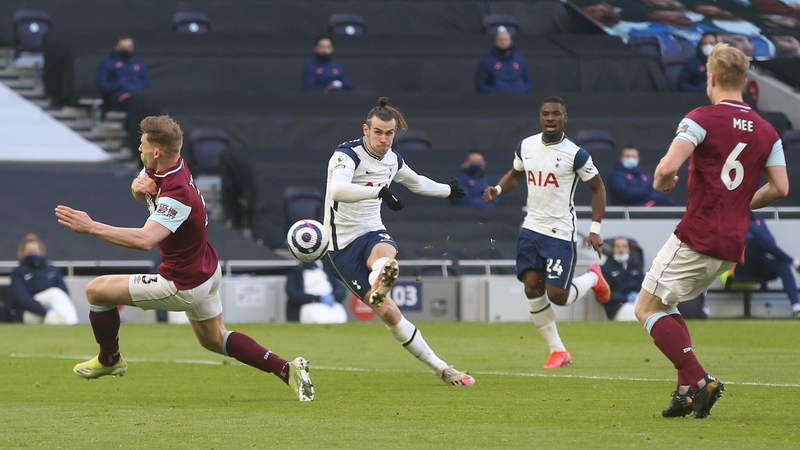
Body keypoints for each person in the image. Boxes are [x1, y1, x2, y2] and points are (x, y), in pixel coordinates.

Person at [54, 115, 315, 402]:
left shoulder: (178, 193)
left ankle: (109, 359)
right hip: (206, 268)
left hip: (181, 283)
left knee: (96, 291)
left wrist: (90, 227)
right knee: (214, 340)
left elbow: (144, 240)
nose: (139, 149)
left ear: (156, 152)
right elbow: (144, 186)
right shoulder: (172, 162)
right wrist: (135, 188)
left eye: (142, 145)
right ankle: (286, 370)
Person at [633, 43, 788, 419]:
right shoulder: (768, 131)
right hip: (732, 243)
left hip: (698, 233)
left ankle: (700, 380)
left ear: (712, 78)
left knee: (646, 307)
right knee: (667, 305)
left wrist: (661, 182)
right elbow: (781, 188)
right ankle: (685, 394)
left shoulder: (701, 118)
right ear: (745, 80)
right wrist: (740, 205)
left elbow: (667, 167)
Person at [322, 97, 474, 386]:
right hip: (341, 245)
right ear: (365, 130)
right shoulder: (346, 155)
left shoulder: (393, 160)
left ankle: (382, 278)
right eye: (378, 132)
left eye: (389, 133)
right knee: (390, 314)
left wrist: (447, 191)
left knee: (386, 254)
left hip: (371, 229)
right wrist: (378, 192)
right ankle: (438, 366)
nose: (384, 139)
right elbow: (338, 190)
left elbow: (416, 182)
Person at [483, 96, 611, 369]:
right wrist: (498, 189)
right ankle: (558, 351)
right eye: (545, 114)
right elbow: (516, 175)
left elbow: (598, 188)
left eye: (556, 114)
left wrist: (595, 229)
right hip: (531, 228)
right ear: (540, 117)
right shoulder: (526, 146)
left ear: (565, 118)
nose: (550, 118)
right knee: (531, 285)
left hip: (559, 232)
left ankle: (592, 278)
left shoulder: (576, 154)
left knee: (558, 296)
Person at [732, 212, 800, 318]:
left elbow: (771, 242)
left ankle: (796, 307)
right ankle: (794, 261)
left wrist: (761, 239)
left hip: (761, 264)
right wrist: (759, 238)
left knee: (782, 264)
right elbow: (745, 240)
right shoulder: (733, 218)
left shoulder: (757, 219)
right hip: (743, 266)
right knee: (759, 239)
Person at [9, 234, 79, 325]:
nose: (33, 254)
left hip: (51, 310)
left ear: (41, 251)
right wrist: (44, 310)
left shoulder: (52, 270)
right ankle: (73, 323)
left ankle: (68, 325)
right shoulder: (18, 272)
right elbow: (22, 298)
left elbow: (64, 294)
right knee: (54, 293)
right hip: (29, 313)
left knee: (54, 317)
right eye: (29, 252)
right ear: (22, 253)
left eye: (35, 251)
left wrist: (50, 310)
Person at [96, 35, 151, 111]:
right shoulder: (108, 63)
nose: (125, 49)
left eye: (128, 47)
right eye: (123, 47)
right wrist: (121, 86)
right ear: (116, 47)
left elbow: (147, 85)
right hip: (120, 97)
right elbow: (102, 86)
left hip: (139, 97)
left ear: (132, 48)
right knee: (134, 104)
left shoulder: (139, 65)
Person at [607, 145, 675, 206]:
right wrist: (647, 193)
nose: (631, 159)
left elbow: (657, 192)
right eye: (627, 156)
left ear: (638, 159)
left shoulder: (646, 177)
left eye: (633, 156)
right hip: (628, 213)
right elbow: (625, 193)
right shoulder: (616, 176)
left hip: (648, 211)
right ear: (621, 158)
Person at [600, 237, 642, 322]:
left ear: (629, 249)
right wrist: (625, 298)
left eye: (624, 246)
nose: (621, 249)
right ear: (612, 249)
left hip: (637, 302)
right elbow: (602, 295)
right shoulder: (606, 269)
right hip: (617, 307)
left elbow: (644, 286)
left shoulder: (636, 267)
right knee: (635, 315)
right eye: (617, 246)